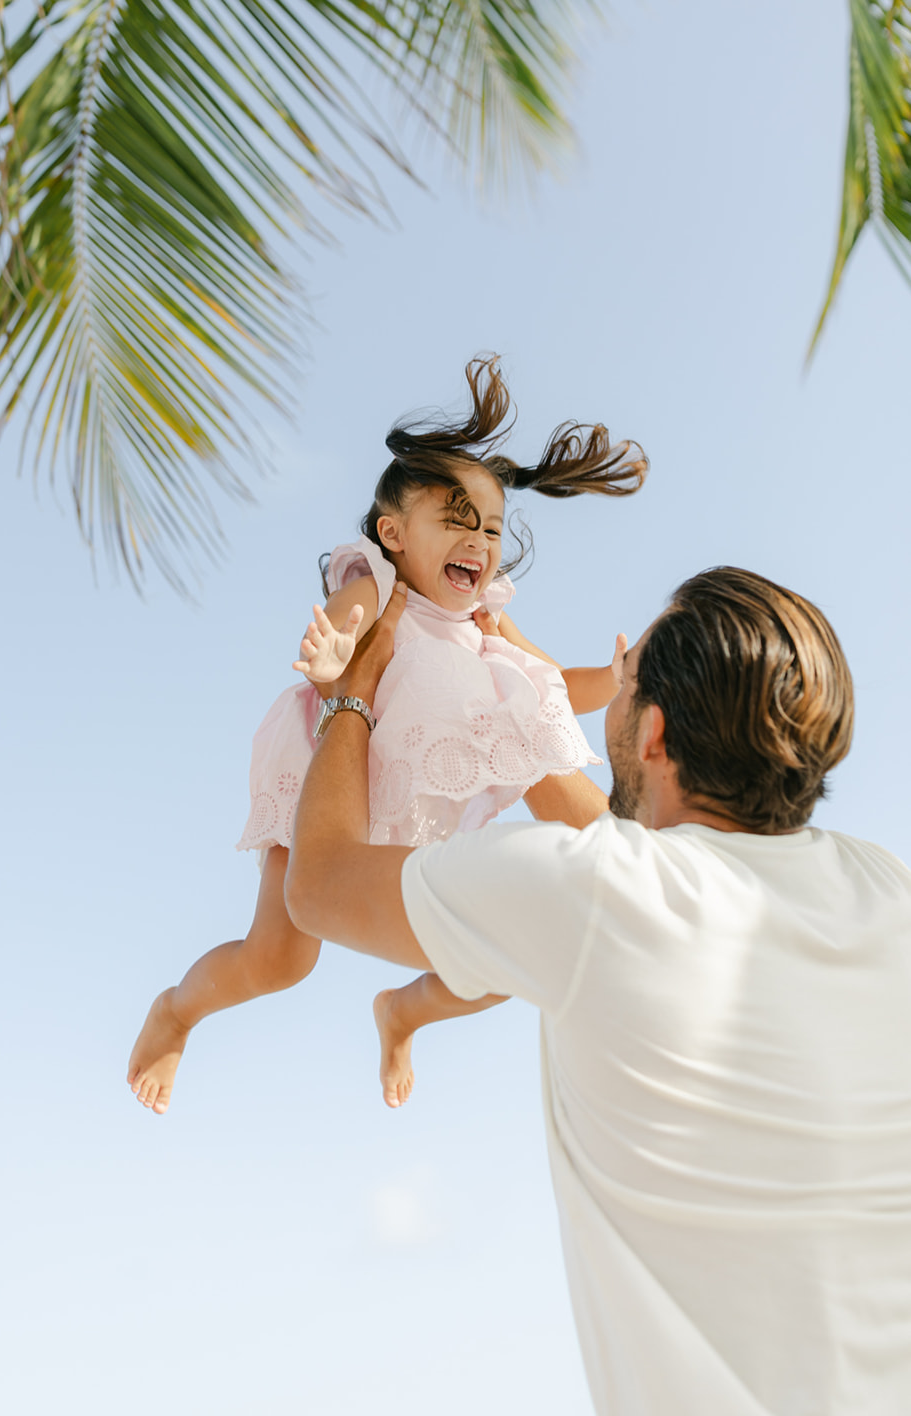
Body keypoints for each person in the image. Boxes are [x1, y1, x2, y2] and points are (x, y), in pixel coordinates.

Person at [284, 567, 911, 1415]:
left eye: (624, 682)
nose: (608, 692)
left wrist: (354, 693)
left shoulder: (591, 898)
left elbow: (318, 884)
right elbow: (613, 838)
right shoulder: (884, 886)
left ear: (651, 734)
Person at [127, 358, 645, 1113]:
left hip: (429, 784)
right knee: (277, 961)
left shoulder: (485, 619)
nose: (479, 541)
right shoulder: (375, 580)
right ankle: (176, 1009)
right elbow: (344, 625)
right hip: (329, 783)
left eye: (492, 528)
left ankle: (404, 1011)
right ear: (394, 533)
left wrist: (616, 677)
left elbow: (555, 682)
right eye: (457, 520)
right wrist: (336, 653)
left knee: (503, 960)